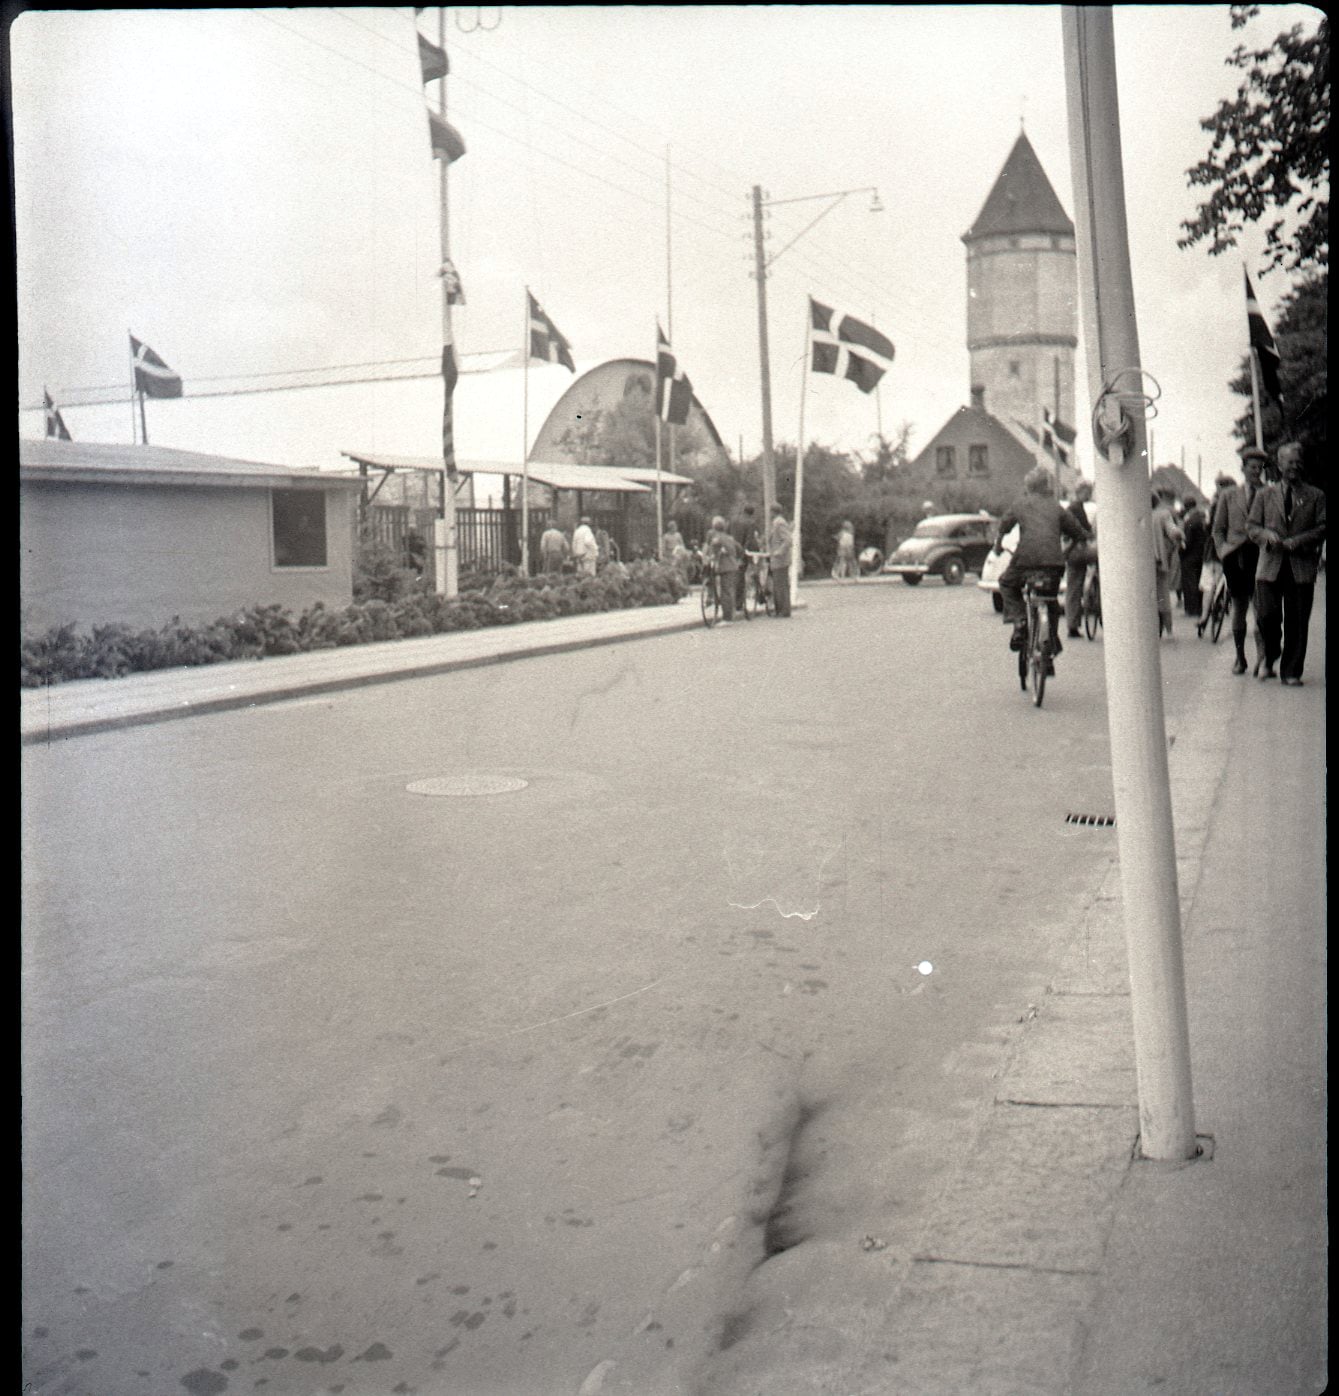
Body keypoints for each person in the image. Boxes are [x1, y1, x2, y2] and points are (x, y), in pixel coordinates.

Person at [994, 466, 1090, 668]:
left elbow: (1004, 525)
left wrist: (997, 545)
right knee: (1050, 601)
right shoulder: (1056, 507)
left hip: (1025, 561)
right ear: (1046, 486)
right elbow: (1078, 533)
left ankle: (1020, 621)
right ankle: (1050, 648)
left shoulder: (1021, 503)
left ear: (1028, 487)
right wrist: (1066, 550)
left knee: (1006, 583)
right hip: (1053, 564)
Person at [1247, 441, 1326, 685]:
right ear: (1279, 464)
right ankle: (1271, 654)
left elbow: (1323, 527)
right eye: (1289, 462)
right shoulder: (1264, 495)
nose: (1295, 466)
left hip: (1300, 566)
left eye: (1298, 461)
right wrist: (1267, 536)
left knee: (1298, 620)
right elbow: (1251, 527)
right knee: (1267, 616)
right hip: (1269, 565)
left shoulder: (1316, 495)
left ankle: (1292, 672)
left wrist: (1298, 541)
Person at [1211, 448, 1264, 674]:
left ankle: (1262, 658)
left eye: (1260, 468)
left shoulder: (1268, 492)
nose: (1256, 471)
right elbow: (1218, 529)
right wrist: (1224, 552)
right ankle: (1240, 657)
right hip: (1236, 557)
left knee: (1261, 608)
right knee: (1239, 607)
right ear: (1243, 469)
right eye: (1252, 467)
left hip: (1260, 556)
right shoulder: (1229, 495)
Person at [1062, 480, 1097, 638]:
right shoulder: (1076, 508)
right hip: (1079, 551)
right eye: (1088, 491)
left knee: (1073, 588)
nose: (1089, 495)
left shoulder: (1071, 508)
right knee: (1106, 559)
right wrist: (1090, 534)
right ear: (1081, 491)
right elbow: (1086, 531)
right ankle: (1099, 601)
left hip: (1070, 553)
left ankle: (1072, 625)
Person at [1151, 489, 1185, 637]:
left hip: (1140, 562)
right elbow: (1173, 531)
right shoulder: (1163, 514)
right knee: (1162, 594)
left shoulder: (1136, 514)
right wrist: (1179, 537)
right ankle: (1168, 628)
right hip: (1157, 560)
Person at [704, 514, 740, 623]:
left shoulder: (717, 538)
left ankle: (727, 618)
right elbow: (739, 548)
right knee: (728, 591)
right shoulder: (729, 537)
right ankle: (730, 614)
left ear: (714, 527)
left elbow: (713, 551)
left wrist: (709, 557)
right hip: (732, 566)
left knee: (726, 592)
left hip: (725, 567)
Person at [1178, 494, 1209, 619]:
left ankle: (1192, 609)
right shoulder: (1202, 518)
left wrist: (1181, 549)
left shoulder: (1190, 521)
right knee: (1199, 581)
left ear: (1186, 507)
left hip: (1190, 556)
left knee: (1190, 583)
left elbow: (1187, 541)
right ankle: (1200, 607)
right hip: (1202, 555)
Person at [729, 504, 761, 612]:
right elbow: (749, 540)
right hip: (742, 552)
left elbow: (728, 535)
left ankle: (731, 601)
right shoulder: (750, 523)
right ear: (752, 514)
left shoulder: (733, 520)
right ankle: (738, 603)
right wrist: (743, 555)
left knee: (731, 576)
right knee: (741, 577)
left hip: (731, 551)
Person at [767, 503, 793, 617]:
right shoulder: (776, 523)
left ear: (773, 512)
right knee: (779, 585)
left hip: (780, 560)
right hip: (777, 560)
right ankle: (781, 609)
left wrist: (779, 551)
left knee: (781, 585)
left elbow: (788, 540)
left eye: (770, 512)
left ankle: (784, 610)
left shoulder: (779, 523)